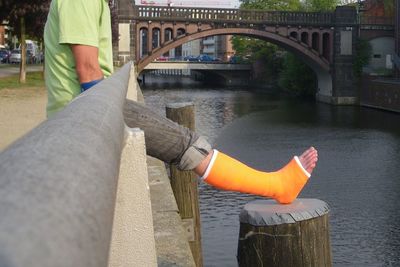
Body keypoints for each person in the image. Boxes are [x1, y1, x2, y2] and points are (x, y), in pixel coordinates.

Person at [44, 0, 318, 204]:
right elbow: (88, 70)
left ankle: (276, 184)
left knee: (184, 142)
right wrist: (109, 126)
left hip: (91, 106)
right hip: (88, 110)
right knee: (187, 145)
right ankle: (277, 186)